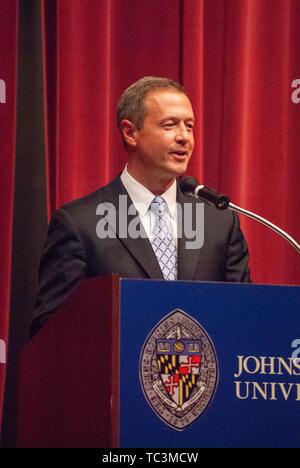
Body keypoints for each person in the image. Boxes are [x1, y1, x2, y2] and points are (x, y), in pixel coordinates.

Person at [31, 76, 250, 336]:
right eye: (170, 125)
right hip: (118, 373)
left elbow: (244, 316)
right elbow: (50, 330)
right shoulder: (81, 224)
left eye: (189, 126)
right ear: (130, 132)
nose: (184, 137)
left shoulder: (219, 222)